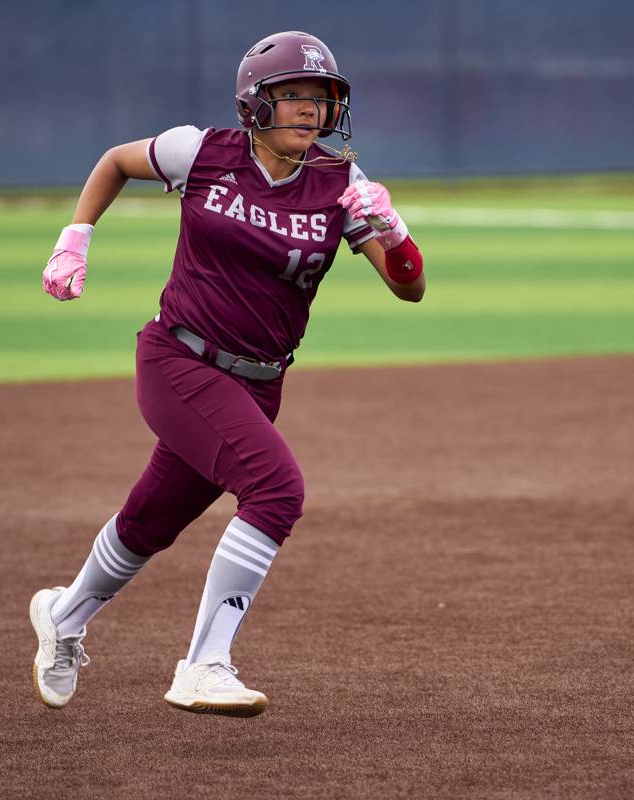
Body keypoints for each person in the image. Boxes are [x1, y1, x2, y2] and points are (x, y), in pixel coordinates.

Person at [29, 30, 425, 718]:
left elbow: (409, 289)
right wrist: (77, 236)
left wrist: (394, 233)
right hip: (178, 359)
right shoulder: (202, 151)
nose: (311, 109)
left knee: (150, 521)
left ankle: (62, 616)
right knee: (276, 491)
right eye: (293, 94)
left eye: (323, 98)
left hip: (259, 382)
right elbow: (117, 161)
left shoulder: (342, 185)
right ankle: (204, 664)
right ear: (254, 104)